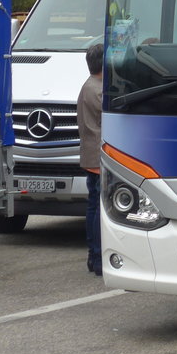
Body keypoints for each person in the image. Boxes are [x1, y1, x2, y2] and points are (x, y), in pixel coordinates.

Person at [77, 42, 105, 277]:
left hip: (88, 153)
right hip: (98, 154)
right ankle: (97, 257)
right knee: (98, 208)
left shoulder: (88, 85)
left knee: (93, 205)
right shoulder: (99, 89)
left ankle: (92, 256)